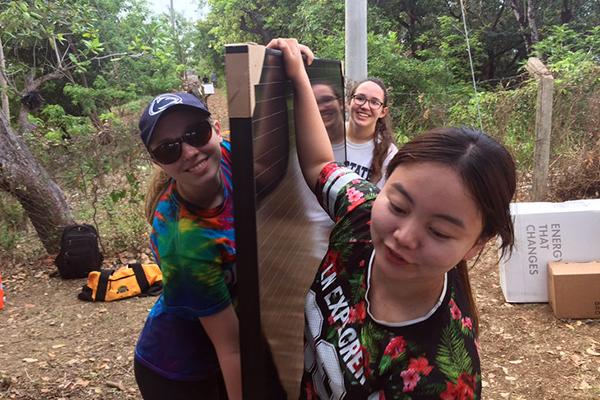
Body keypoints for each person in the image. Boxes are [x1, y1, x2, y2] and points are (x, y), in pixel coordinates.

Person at [267, 38, 516, 399]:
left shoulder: (443, 376)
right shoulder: (360, 214)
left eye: (439, 231)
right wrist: (298, 76)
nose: (404, 235)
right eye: (398, 206)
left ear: (476, 243)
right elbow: (320, 165)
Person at [133, 92, 285, 400]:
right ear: (158, 161)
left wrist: (287, 63)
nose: (188, 151)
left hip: (227, 348)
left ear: (216, 128)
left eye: (196, 133)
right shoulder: (183, 240)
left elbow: (274, 158)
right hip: (180, 371)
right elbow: (231, 349)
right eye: (168, 149)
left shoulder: (230, 156)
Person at [345, 77, 398, 188]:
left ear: (383, 112)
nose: (365, 106)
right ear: (348, 102)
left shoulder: (388, 153)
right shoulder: (327, 134)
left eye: (374, 102)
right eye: (360, 98)